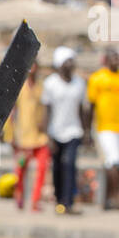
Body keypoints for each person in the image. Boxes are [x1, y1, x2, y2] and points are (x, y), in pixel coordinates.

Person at [41, 46, 90, 216]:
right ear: (60, 64)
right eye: (67, 61)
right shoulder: (50, 83)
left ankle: (68, 202)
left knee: (70, 165)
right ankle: (59, 200)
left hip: (74, 131)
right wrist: (47, 135)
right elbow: (47, 110)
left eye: (72, 61)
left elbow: (83, 110)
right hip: (55, 132)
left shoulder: (79, 84)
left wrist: (87, 132)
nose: (71, 64)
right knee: (57, 167)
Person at [87, 48, 119, 210]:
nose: (116, 61)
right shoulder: (98, 79)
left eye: (118, 58)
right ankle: (116, 196)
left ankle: (107, 200)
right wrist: (87, 131)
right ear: (106, 60)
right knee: (113, 160)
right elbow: (90, 106)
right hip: (104, 127)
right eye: (113, 58)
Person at [11, 60, 49, 212]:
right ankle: (19, 195)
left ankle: (35, 201)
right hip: (23, 138)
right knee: (20, 170)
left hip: (40, 137)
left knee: (42, 169)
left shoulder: (42, 87)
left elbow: (47, 108)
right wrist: (12, 135)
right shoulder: (19, 86)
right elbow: (13, 112)